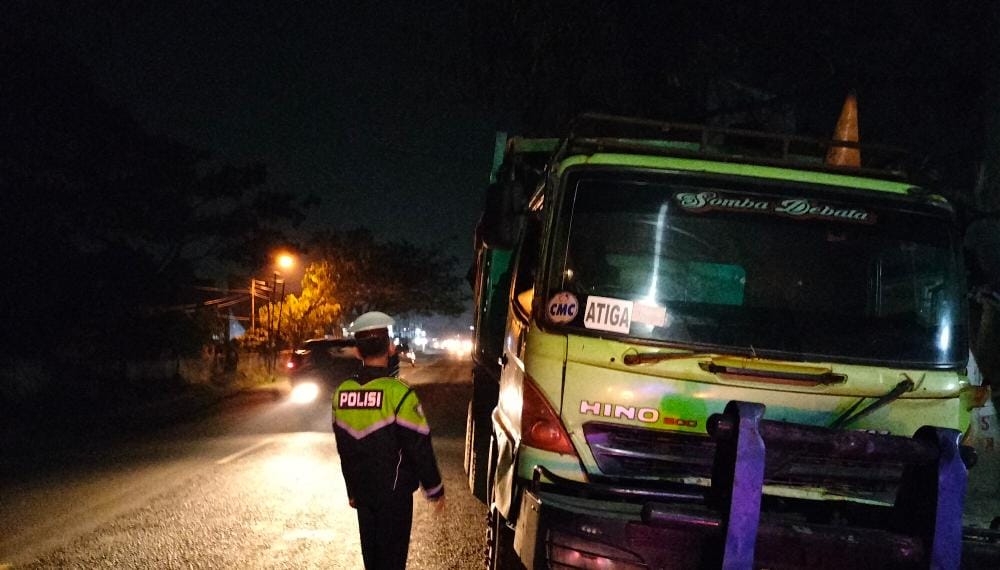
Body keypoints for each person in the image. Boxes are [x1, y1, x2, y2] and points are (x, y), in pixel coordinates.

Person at [332, 311, 445, 569]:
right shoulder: (399, 393)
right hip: (394, 497)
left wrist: (352, 491)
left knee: (372, 560)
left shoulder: (341, 393)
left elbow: (344, 449)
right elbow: (418, 446)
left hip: (362, 492)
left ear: (358, 352)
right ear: (391, 348)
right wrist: (434, 488)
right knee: (392, 561)